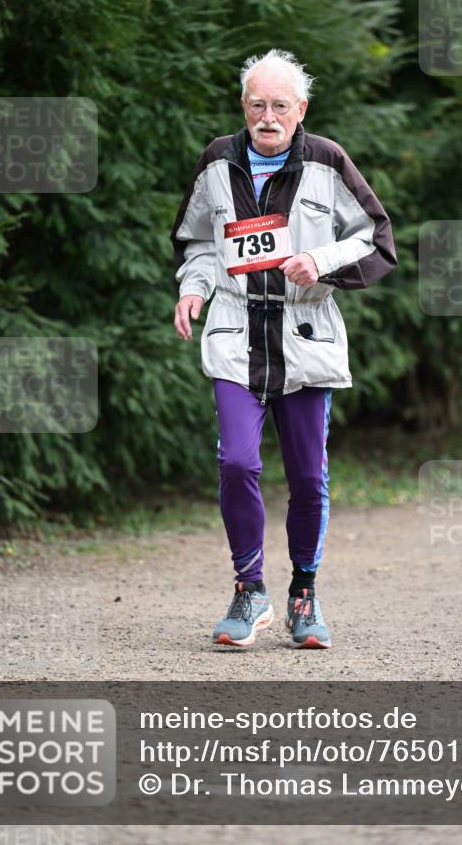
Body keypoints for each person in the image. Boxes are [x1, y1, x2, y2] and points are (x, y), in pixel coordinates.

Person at [171, 49, 397, 649]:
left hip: (305, 336)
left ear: (301, 110)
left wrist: (318, 261)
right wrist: (193, 290)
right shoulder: (218, 161)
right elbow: (196, 242)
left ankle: (304, 594)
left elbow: (375, 236)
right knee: (238, 462)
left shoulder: (327, 160)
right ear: (243, 107)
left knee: (307, 475)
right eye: (256, 105)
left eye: (279, 106)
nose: (267, 117)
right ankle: (249, 590)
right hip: (235, 335)